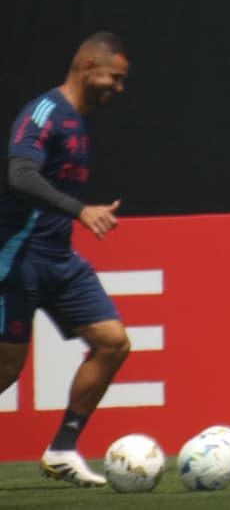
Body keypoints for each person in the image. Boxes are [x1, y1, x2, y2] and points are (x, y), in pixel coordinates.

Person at [0, 31, 131, 487]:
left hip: (60, 261)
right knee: (8, 369)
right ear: (87, 65)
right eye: (115, 77)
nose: (119, 87)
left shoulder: (78, 121)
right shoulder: (44, 113)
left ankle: (62, 449)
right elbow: (19, 174)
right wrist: (81, 210)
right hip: (19, 259)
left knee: (114, 343)